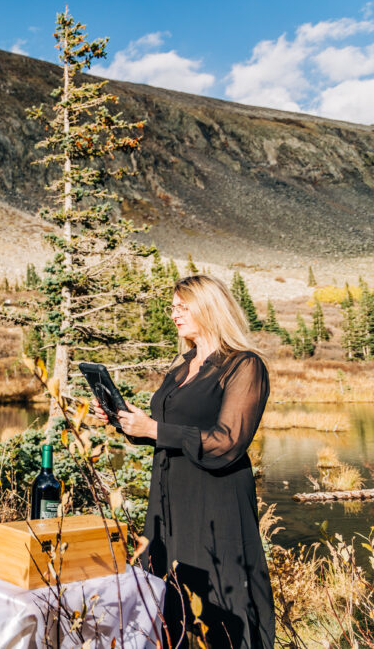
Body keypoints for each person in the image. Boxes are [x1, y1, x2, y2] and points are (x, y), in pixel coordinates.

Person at [93, 274, 274, 649]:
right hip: (169, 500)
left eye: (182, 307)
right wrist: (124, 420)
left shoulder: (243, 365)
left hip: (215, 501)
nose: (174, 314)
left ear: (208, 307)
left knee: (220, 600)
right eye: (172, 307)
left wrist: (155, 429)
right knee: (169, 598)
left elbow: (229, 441)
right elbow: (166, 431)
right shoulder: (182, 367)